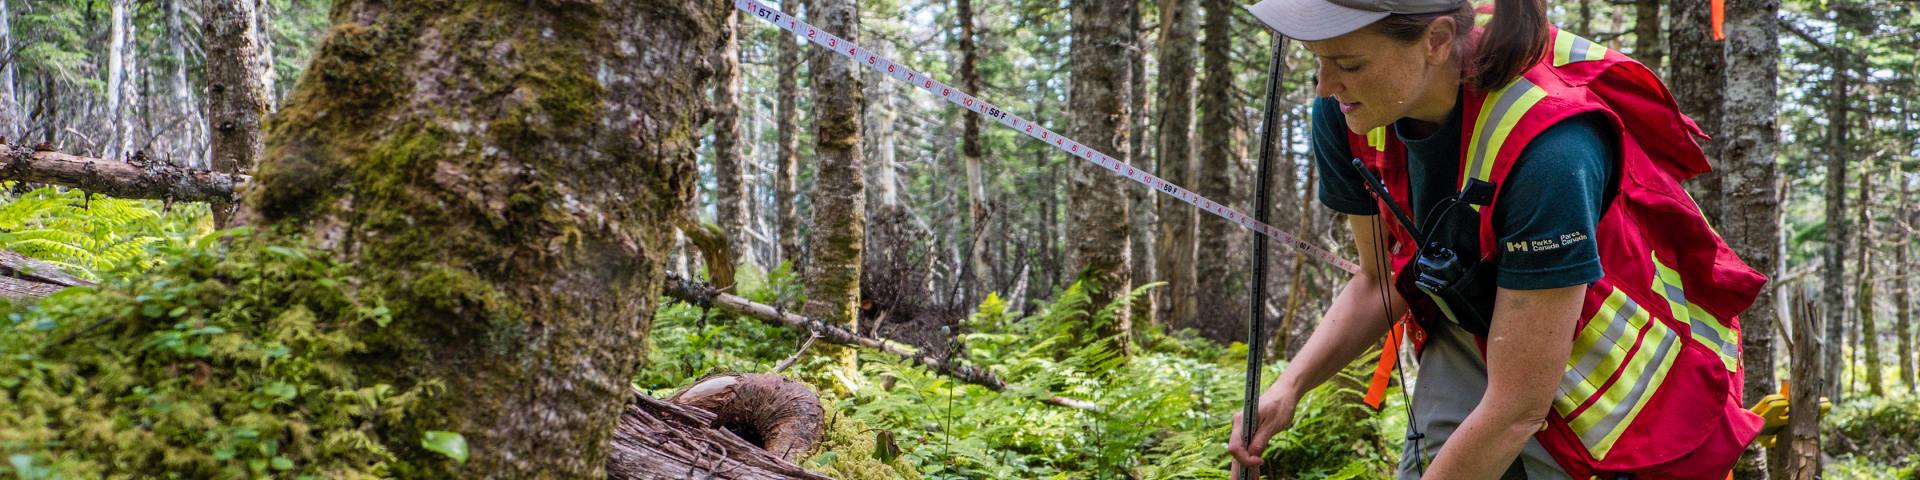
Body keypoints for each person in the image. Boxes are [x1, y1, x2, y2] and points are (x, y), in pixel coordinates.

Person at [1224, 0, 1768, 479]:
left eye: (1348, 64)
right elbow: (1378, 281)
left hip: (1615, 367)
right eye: (1318, 60)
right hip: (1478, 324)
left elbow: (1517, 408)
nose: (1324, 86)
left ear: (1436, 41)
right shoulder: (1347, 111)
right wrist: (1289, 387)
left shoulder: (1553, 150)